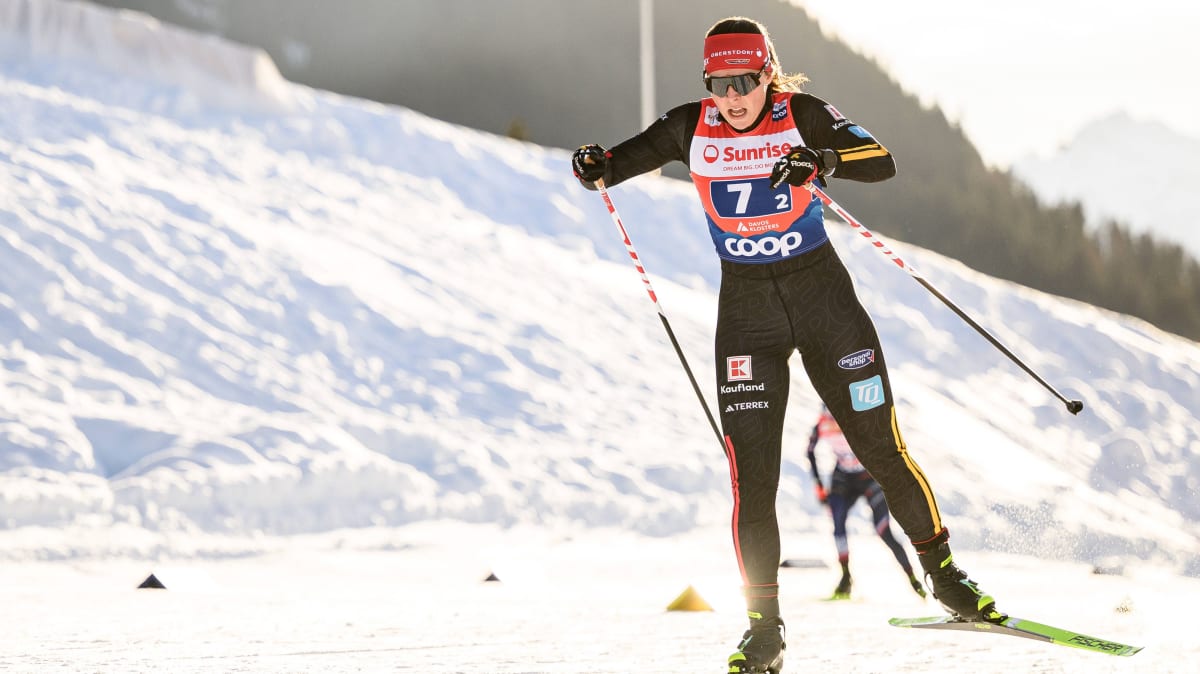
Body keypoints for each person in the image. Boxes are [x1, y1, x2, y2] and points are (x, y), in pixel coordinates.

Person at [571, 16, 1002, 674]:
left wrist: (821, 159)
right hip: (747, 317)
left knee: (880, 449)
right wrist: (594, 165)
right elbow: (615, 166)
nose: (731, 96)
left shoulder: (800, 112)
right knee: (753, 482)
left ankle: (946, 579)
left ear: (766, 74)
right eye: (718, 83)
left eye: (743, 81)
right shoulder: (691, 126)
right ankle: (764, 631)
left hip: (824, 304)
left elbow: (880, 161)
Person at [806, 405, 926, 600]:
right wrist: (819, 485)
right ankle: (845, 579)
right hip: (844, 477)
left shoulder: (854, 419)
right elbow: (810, 452)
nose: (834, 422)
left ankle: (914, 580)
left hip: (869, 476)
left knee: (883, 530)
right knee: (837, 524)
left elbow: (885, 442)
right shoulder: (822, 423)